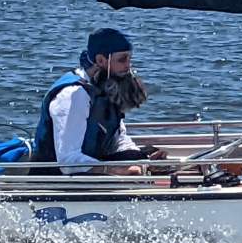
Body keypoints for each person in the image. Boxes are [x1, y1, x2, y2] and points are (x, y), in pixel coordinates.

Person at [31, 28, 166, 175]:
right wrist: (115, 170)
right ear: (101, 60)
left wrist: (143, 161)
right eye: (122, 60)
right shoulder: (74, 96)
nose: (128, 66)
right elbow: (68, 160)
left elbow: (117, 139)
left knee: (147, 155)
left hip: (91, 164)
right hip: (56, 177)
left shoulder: (107, 86)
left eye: (129, 59)